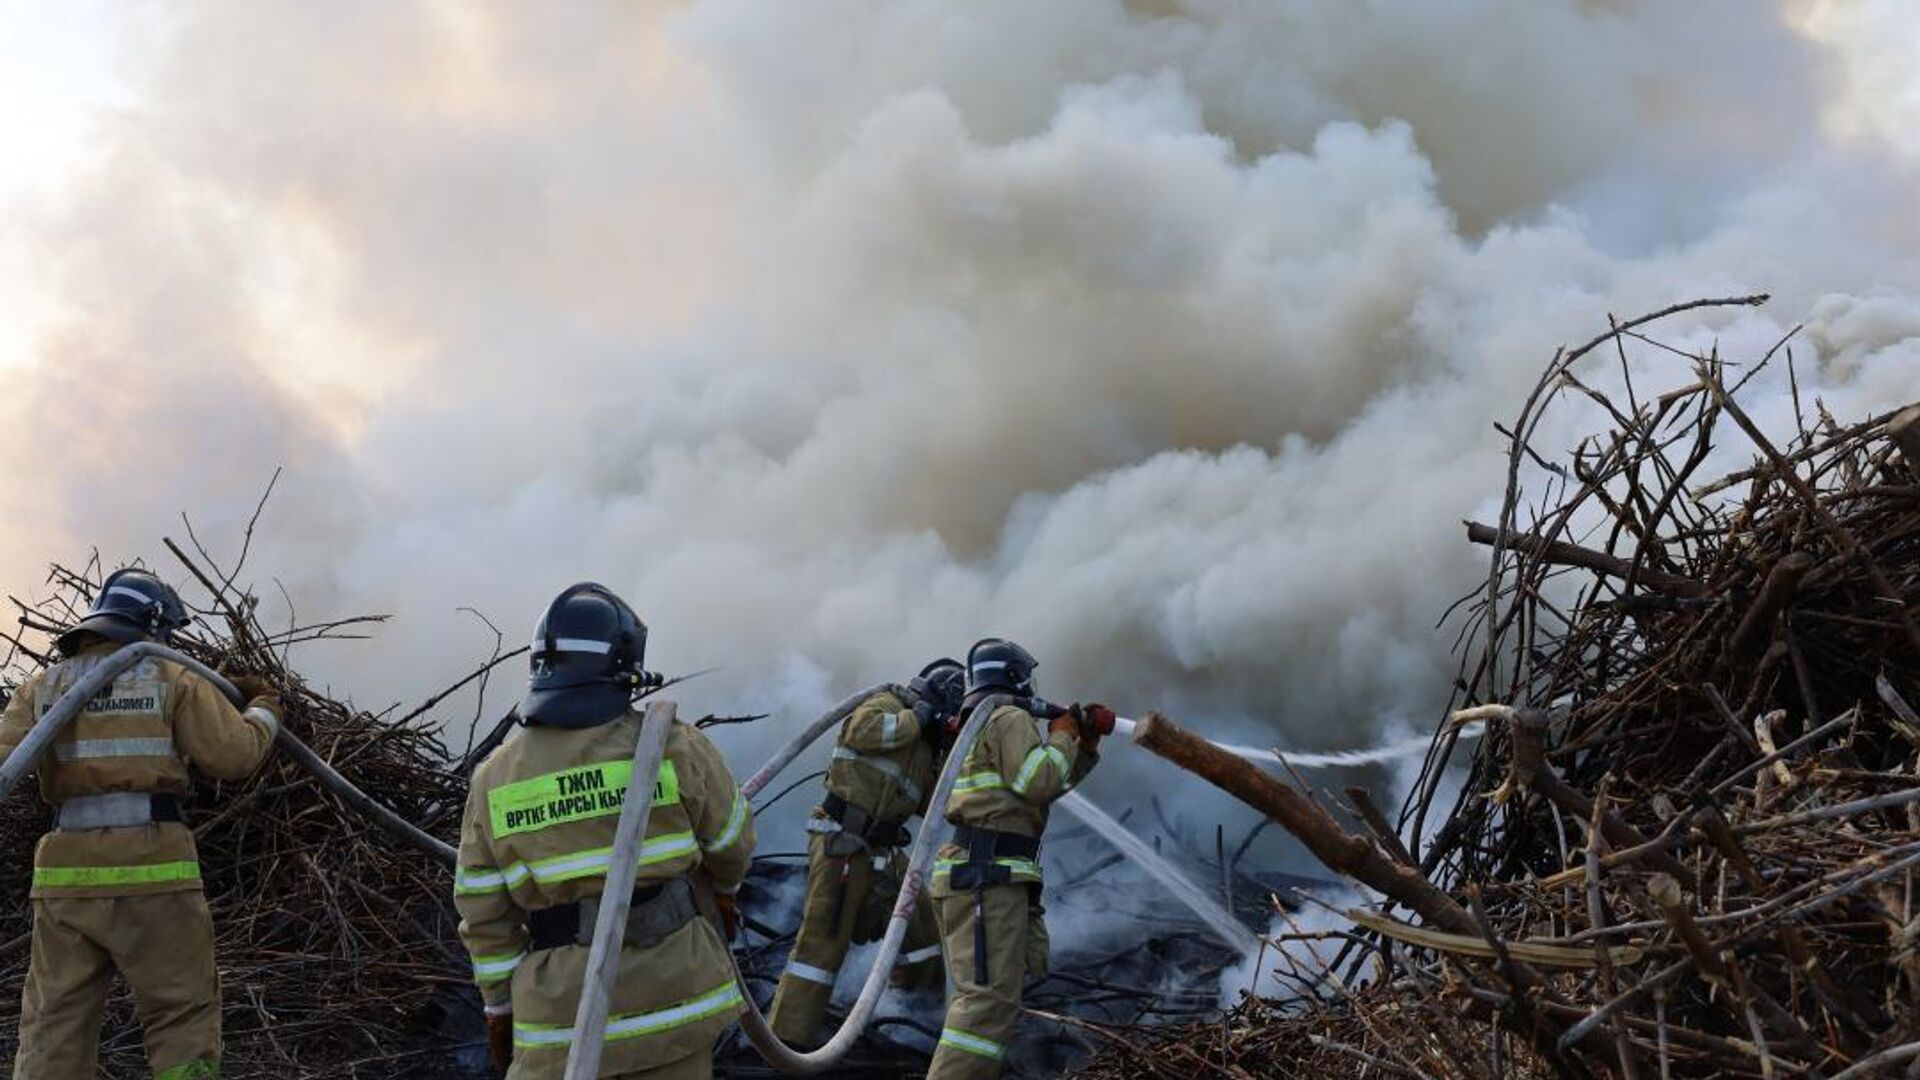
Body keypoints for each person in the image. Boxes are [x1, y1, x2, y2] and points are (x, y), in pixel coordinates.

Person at [456, 583, 754, 1079]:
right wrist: (723, 895)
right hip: (672, 1005)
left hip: (558, 1023)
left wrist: (499, 1009)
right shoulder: (674, 746)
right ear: (624, 665)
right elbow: (732, 844)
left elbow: (483, 913)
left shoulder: (494, 778)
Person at [0, 568, 282, 1079]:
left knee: (53, 1027)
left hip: (67, 879)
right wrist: (264, 708)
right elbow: (234, 757)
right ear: (154, 627)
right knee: (181, 1017)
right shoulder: (171, 676)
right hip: (155, 872)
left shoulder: (44, 686)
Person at [925, 638, 1112, 1079]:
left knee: (989, 1004)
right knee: (985, 1006)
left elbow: (1043, 784)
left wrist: (1082, 748)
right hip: (985, 879)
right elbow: (1037, 780)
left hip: (987, 877)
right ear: (1014, 677)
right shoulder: (1008, 716)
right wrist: (1064, 734)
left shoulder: (986, 721)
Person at [766, 658, 965, 1046]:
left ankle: (908, 1017)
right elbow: (864, 732)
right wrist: (918, 720)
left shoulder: (926, 748)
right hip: (843, 841)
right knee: (822, 945)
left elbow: (934, 802)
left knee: (921, 928)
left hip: (884, 851)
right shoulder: (886, 704)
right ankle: (786, 1043)